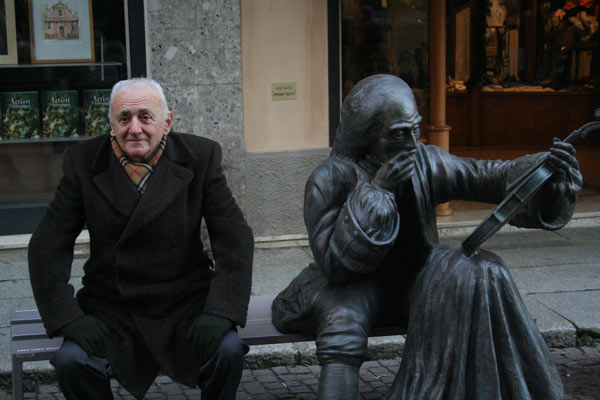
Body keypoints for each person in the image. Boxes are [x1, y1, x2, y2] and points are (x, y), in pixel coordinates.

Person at [272, 74, 581, 399]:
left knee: (478, 275)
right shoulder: (330, 178)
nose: (411, 143)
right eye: (397, 134)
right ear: (367, 135)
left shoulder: (425, 162)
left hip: (414, 278)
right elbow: (335, 267)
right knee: (342, 325)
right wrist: (379, 191)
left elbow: (488, 177)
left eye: (415, 129)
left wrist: (544, 173)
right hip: (351, 286)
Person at [28, 78, 254, 400]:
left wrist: (222, 309)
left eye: (145, 117)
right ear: (111, 125)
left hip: (185, 302)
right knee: (72, 361)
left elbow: (234, 237)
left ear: (167, 122)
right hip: (112, 306)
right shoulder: (83, 161)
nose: (134, 129)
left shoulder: (200, 156)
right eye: (124, 118)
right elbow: (48, 244)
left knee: (228, 351)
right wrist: (67, 317)